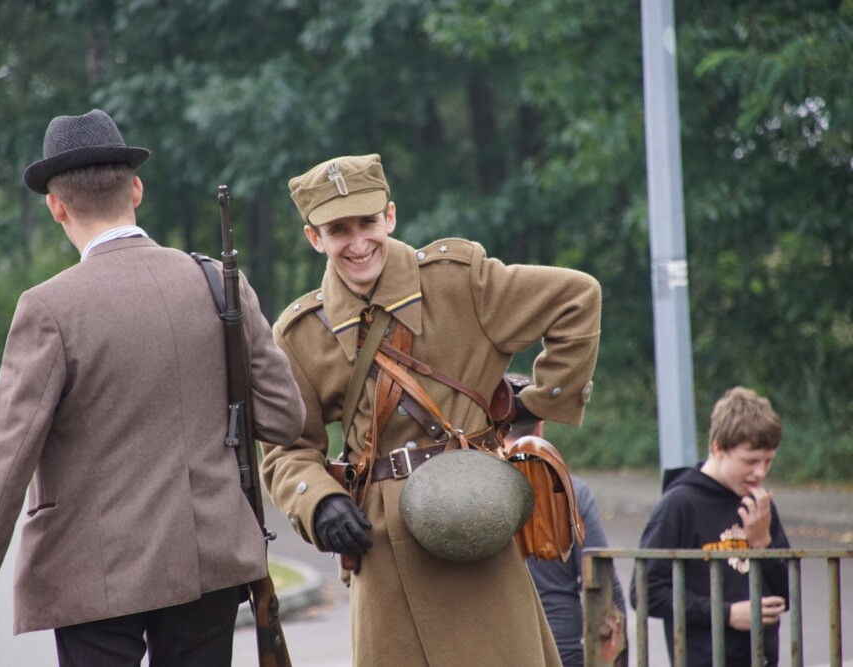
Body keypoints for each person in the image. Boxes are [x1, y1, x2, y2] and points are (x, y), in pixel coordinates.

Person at [0, 109, 305, 667]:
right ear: (136, 189)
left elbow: (7, 455)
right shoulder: (217, 281)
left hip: (96, 572)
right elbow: (285, 419)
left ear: (56, 206)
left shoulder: (47, 308)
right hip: (209, 559)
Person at [261, 153, 602, 665]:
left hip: (477, 521)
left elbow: (577, 298)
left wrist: (536, 403)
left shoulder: (459, 280)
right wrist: (320, 501)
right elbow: (288, 449)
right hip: (383, 546)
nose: (357, 244)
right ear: (315, 238)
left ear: (390, 216)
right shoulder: (301, 334)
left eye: (368, 223)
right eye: (338, 230)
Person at [633, 386, 789, 666]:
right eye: (751, 461)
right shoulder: (679, 504)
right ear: (718, 447)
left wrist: (763, 543)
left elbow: (786, 595)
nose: (761, 472)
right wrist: (725, 613)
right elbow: (645, 592)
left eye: (768, 462)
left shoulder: (759, 503)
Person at [508, 373, 627, 667]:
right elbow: (602, 580)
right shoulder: (571, 490)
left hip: (495, 647)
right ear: (541, 426)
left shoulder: (468, 493)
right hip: (561, 649)